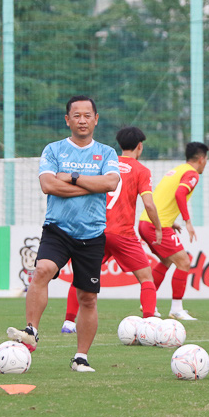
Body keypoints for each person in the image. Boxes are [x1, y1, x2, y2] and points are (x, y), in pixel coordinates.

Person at [7, 96, 120, 372]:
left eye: (87, 115)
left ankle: (80, 357)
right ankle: (31, 330)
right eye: (76, 115)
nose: (82, 120)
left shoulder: (107, 153)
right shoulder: (54, 149)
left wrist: (70, 177)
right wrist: (91, 186)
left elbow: (111, 182)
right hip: (57, 228)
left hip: (92, 234)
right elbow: (48, 185)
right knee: (42, 269)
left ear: (96, 119)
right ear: (67, 119)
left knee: (87, 298)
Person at [63, 126, 163, 333]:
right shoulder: (141, 170)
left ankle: (69, 322)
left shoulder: (106, 163)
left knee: (81, 277)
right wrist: (159, 228)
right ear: (139, 146)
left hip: (96, 230)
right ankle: (150, 323)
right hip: (123, 234)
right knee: (146, 278)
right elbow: (149, 204)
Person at [138, 141, 209, 321]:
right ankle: (176, 309)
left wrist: (170, 222)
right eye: (206, 159)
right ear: (201, 159)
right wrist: (187, 222)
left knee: (166, 260)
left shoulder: (177, 170)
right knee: (184, 262)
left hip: (147, 223)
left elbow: (163, 199)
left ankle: (148, 304)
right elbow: (179, 194)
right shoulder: (192, 174)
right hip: (156, 225)